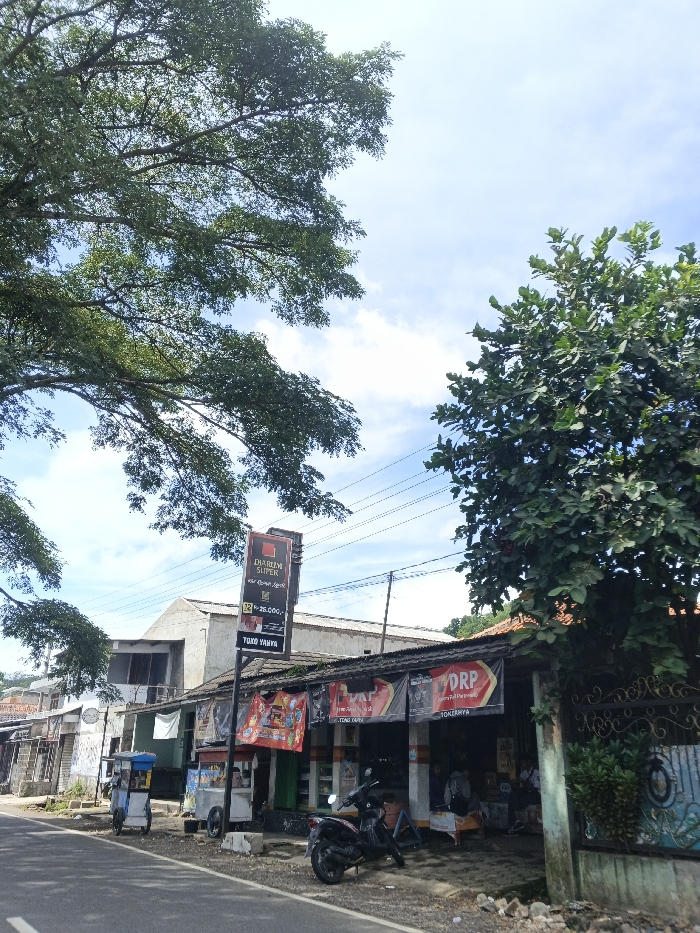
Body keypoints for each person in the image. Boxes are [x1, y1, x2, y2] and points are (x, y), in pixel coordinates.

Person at [507, 755, 541, 834]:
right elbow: (521, 790)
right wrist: (515, 784)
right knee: (512, 796)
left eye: (523, 763)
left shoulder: (536, 772)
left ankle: (514, 824)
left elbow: (534, 790)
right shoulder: (524, 773)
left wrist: (524, 782)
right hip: (528, 795)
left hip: (537, 795)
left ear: (528, 762)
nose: (522, 765)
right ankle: (517, 822)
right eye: (521, 763)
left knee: (514, 802)